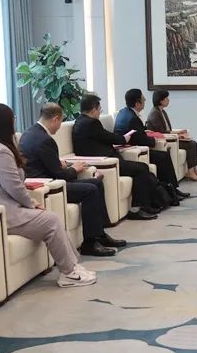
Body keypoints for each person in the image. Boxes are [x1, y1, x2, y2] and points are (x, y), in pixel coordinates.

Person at [0, 103, 96, 289]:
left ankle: (72, 266)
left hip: (2, 208)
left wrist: (29, 203)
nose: (14, 122)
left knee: (51, 218)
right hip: (0, 213)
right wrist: (30, 203)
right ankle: (69, 273)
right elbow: (14, 187)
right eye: (12, 118)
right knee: (51, 221)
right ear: (5, 123)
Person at [19, 102, 129, 254]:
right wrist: (74, 169)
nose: (60, 126)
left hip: (47, 178)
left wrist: (59, 163)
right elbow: (59, 174)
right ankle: (90, 243)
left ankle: (100, 234)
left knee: (97, 183)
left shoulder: (28, 133)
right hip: (51, 186)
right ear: (55, 119)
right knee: (90, 190)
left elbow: (43, 162)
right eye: (61, 121)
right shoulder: (45, 140)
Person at [72, 94, 171, 216]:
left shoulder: (80, 121)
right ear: (93, 110)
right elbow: (108, 137)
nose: (99, 113)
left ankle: (149, 204)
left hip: (107, 159)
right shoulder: (91, 123)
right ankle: (138, 207)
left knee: (145, 171)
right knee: (142, 168)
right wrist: (124, 139)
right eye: (99, 110)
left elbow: (103, 137)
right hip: (106, 162)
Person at [113, 88, 189, 197]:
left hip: (132, 147)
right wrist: (154, 139)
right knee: (163, 157)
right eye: (143, 99)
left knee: (162, 156)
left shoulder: (123, 112)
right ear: (137, 104)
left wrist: (145, 132)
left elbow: (136, 133)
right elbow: (142, 140)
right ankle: (171, 191)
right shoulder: (133, 118)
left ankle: (171, 190)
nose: (145, 100)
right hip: (133, 151)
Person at [146, 89, 197, 181]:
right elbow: (161, 132)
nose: (168, 100)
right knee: (191, 144)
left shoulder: (162, 112)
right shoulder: (155, 113)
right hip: (164, 141)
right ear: (161, 101)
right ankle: (190, 172)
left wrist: (179, 133)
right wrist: (177, 135)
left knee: (193, 143)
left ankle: (194, 170)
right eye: (166, 98)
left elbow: (167, 130)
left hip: (169, 137)